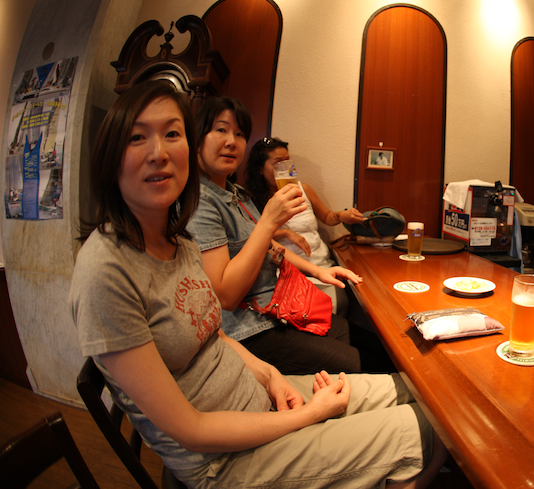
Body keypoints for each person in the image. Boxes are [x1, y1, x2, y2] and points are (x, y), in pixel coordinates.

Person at [70, 80, 448, 488]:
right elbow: (191, 429)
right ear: (110, 157)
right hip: (221, 460)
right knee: (437, 427)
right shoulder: (106, 269)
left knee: (417, 393)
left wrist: (270, 378)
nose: (159, 152)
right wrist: (308, 415)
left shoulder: (179, 241)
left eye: (172, 134)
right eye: (137, 137)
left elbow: (214, 334)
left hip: (258, 396)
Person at [187, 96, 363, 375]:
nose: (231, 141)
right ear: (197, 139)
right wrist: (269, 222)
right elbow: (226, 298)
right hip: (251, 328)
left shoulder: (237, 195)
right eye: (220, 130)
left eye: (239, 134)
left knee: (360, 338)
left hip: (281, 307)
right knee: (357, 361)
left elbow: (271, 247)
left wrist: (319, 271)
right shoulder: (200, 202)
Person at [244, 137, 364, 310]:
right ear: (260, 169)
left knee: (345, 302)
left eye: (287, 161)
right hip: (287, 271)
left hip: (321, 263)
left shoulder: (303, 189)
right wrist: (286, 233)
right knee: (321, 309)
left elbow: (327, 216)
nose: (284, 167)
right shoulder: (251, 199)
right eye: (278, 163)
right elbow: (252, 235)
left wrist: (341, 216)